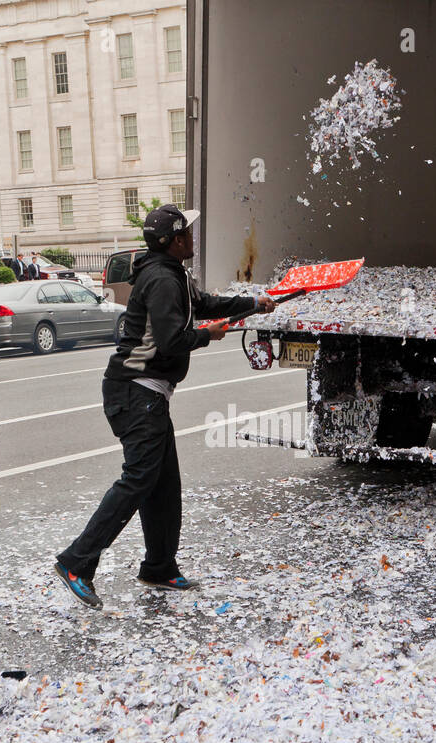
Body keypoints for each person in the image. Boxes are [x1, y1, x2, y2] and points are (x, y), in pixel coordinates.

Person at [54, 203, 276, 609]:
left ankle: (158, 566)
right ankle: (77, 562)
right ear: (175, 241)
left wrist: (253, 303)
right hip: (135, 393)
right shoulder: (161, 279)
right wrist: (207, 336)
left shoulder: (172, 273)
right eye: (187, 233)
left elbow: (206, 303)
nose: (193, 237)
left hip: (147, 394)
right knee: (139, 479)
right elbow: (173, 339)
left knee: (163, 484)